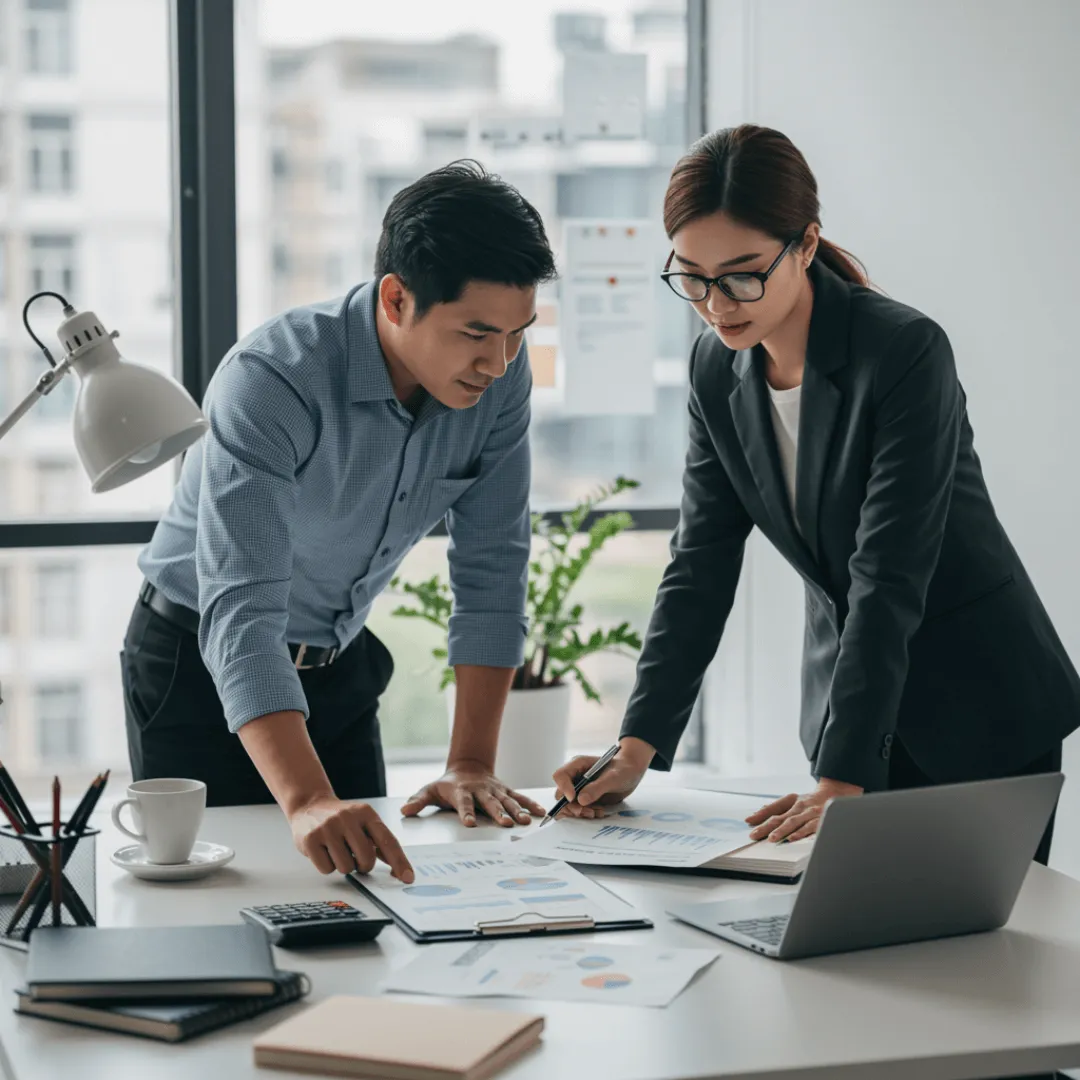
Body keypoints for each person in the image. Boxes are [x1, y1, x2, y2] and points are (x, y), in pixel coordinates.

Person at [552, 125, 1080, 866]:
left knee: (975, 967)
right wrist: (637, 746)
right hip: (854, 714)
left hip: (981, 710)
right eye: (691, 276)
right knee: (861, 961)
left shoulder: (902, 352)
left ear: (805, 245)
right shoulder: (716, 370)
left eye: (740, 275)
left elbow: (888, 574)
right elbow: (699, 564)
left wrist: (842, 775)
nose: (714, 303)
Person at [123, 161, 556, 880]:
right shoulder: (271, 380)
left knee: (366, 893)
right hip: (194, 662)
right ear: (396, 299)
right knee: (214, 906)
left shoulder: (502, 376)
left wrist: (472, 763)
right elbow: (242, 613)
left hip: (337, 664)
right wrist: (307, 800)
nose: (500, 361)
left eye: (518, 333)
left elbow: (493, 569)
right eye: (476, 333)